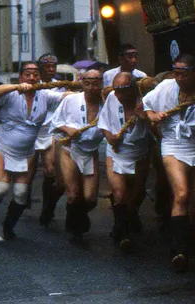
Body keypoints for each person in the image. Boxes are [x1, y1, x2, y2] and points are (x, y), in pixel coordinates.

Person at [0, 62, 70, 239]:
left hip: (28, 152)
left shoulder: (44, 94)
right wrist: (17, 86)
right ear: (21, 76)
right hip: (5, 148)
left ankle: (9, 226)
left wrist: (85, 89)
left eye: (35, 74)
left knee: (21, 194)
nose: (32, 78)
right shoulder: (11, 93)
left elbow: (67, 97)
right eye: (27, 74)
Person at [144, 53, 195, 272]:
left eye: (184, 74)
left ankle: (190, 242)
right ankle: (178, 250)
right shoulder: (166, 87)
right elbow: (145, 105)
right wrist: (153, 116)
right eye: (176, 74)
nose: (180, 79)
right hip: (173, 144)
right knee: (182, 194)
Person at [99, 72, 151, 251]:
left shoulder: (146, 100)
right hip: (116, 152)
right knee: (119, 193)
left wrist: (145, 117)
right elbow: (103, 123)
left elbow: (159, 129)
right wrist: (109, 137)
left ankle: (123, 222)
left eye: (122, 91)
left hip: (139, 153)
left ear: (132, 88)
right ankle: (124, 234)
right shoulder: (112, 98)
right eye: (116, 90)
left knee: (135, 196)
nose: (118, 95)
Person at [51, 68, 105, 241]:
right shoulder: (72, 100)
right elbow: (55, 122)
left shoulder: (107, 104)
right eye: (87, 83)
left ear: (101, 84)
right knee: (73, 194)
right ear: (82, 83)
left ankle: (77, 216)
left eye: (95, 84)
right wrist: (68, 129)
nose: (91, 88)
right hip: (69, 149)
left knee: (90, 199)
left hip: (90, 152)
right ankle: (75, 228)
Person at [34, 54, 64, 226]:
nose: (51, 69)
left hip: (50, 130)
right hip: (32, 130)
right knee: (27, 174)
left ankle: (47, 208)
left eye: (54, 66)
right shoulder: (32, 84)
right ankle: (24, 197)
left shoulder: (59, 86)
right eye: (48, 66)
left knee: (50, 170)